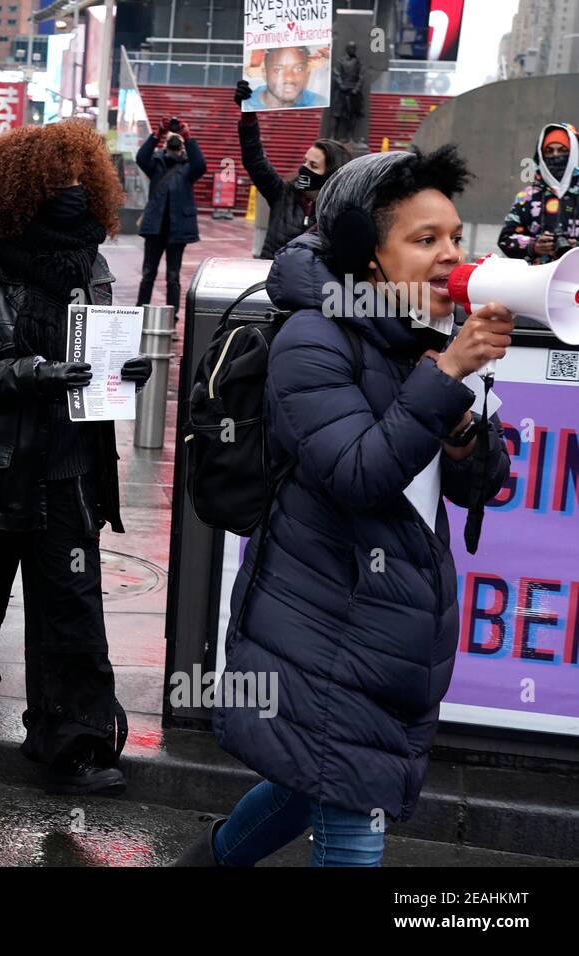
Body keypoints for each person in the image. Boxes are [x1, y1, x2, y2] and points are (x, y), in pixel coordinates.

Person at [175, 147, 513, 867]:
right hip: (326, 634)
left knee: (309, 786)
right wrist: (448, 376)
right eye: (425, 240)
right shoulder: (312, 339)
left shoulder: (416, 340)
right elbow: (358, 473)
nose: (450, 257)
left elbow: (480, 483)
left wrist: (459, 422)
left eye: (454, 237)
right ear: (367, 259)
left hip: (386, 633)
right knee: (349, 818)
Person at [0, 121, 152, 793]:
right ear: (23, 192)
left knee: (73, 612)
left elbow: (97, 365)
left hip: (72, 473)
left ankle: (74, 741)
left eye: (82, 181)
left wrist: (122, 374)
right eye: (58, 183)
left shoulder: (95, 267)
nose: (73, 193)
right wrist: (30, 374)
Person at [234, 79, 351, 259]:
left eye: (313, 165)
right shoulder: (283, 194)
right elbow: (255, 161)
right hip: (272, 280)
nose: (304, 168)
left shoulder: (339, 213)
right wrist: (248, 116)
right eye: (305, 161)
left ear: (331, 175)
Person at [135, 117, 207, 313]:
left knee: (173, 277)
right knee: (148, 273)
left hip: (177, 231)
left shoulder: (188, 168)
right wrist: (156, 134)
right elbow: (141, 157)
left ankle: (172, 317)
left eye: (179, 140)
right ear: (165, 143)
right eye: (171, 139)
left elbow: (201, 165)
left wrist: (188, 136)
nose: (175, 142)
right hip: (155, 229)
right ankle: (140, 313)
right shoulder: (155, 164)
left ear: (183, 146)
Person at [499, 122, 579, 264]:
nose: (555, 155)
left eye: (563, 150)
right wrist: (534, 246)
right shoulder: (527, 197)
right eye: (549, 151)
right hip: (537, 280)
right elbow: (505, 240)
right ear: (541, 155)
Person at [242, 46, 328, 112]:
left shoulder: (320, 102)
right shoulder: (246, 104)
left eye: (299, 69)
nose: (289, 77)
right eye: (278, 70)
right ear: (265, 72)